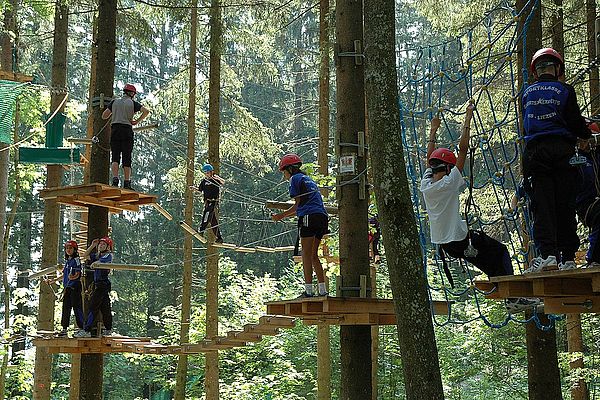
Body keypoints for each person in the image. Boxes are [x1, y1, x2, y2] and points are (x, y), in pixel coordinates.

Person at [420, 105, 537, 313]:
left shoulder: (426, 185)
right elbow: (463, 150)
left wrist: (433, 129)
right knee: (501, 252)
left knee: (493, 262)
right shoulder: (450, 182)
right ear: (448, 168)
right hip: (460, 240)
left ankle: (507, 293)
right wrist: (468, 117)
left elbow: (431, 158)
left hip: (446, 245)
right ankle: (513, 299)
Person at [521, 48, 592, 272]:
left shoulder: (527, 93)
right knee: (565, 205)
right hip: (563, 153)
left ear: (535, 72)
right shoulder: (564, 90)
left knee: (542, 206)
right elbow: (575, 121)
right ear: (558, 69)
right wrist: (587, 135)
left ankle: (548, 256)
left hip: (536, 154)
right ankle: (569, 257)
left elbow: (526, 124)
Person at [272, 154, 329, 298]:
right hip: (321, 217)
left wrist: (281, 216)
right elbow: (302, 207)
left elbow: (297, 205)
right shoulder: (308, 180)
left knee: (305, 254)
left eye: (284, 172)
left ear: (290, 169)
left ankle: (308, 291)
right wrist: (284, 215)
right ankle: (322, 290)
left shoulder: (294, 179)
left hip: (309, 217)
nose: (284, 175)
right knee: (313, 254)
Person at [102, 83, 150, 190]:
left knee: (115, 155)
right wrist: (137, 121)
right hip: (127, 130)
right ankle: (127, 182)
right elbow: (146, 111)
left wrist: (114, 112)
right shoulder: (132, 103)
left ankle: (115, 180)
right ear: (132, 93)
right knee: (126, 156)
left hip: (115, 130)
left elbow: (104, 116)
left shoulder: (114, 102)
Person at [74, 237, 113, 337]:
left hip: (102, 285)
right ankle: (108, 329)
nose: (101, 246)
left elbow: (99, 263)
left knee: (93, 307)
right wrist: (92, 246)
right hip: (99, 285)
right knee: (105, 307)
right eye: (100, 244)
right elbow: (85, 255)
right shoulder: (97, 255)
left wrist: (96, 263)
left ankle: (87, 330)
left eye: (103, 244)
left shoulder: (108, 255)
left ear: (108, 247)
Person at [191, 163, 224, 243]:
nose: (206, 174)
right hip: (207, 202)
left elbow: (223, 182)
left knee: (206, 215)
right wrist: (194, 188)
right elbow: (200, 189)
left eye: (208, 172)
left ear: (211, 172)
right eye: (205, 173)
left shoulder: (215, 180)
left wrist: (218, 178)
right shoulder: (204, 181)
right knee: (213, 221)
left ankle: (201, 230)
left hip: (213, 202)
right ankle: (219, 238)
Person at [58, 240, 84, 337]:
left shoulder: (76, 260)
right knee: (66, 308)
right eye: (67, 248)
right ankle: (64, 329)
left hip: (75, 287)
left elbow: (78, 273)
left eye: (70, 248)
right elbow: (64, 274)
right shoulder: (67, 261)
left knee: (77, 307)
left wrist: (72, 277)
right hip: (67, 288)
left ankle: (82, 328)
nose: (68, 250)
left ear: (75, 249)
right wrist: (53, 280)